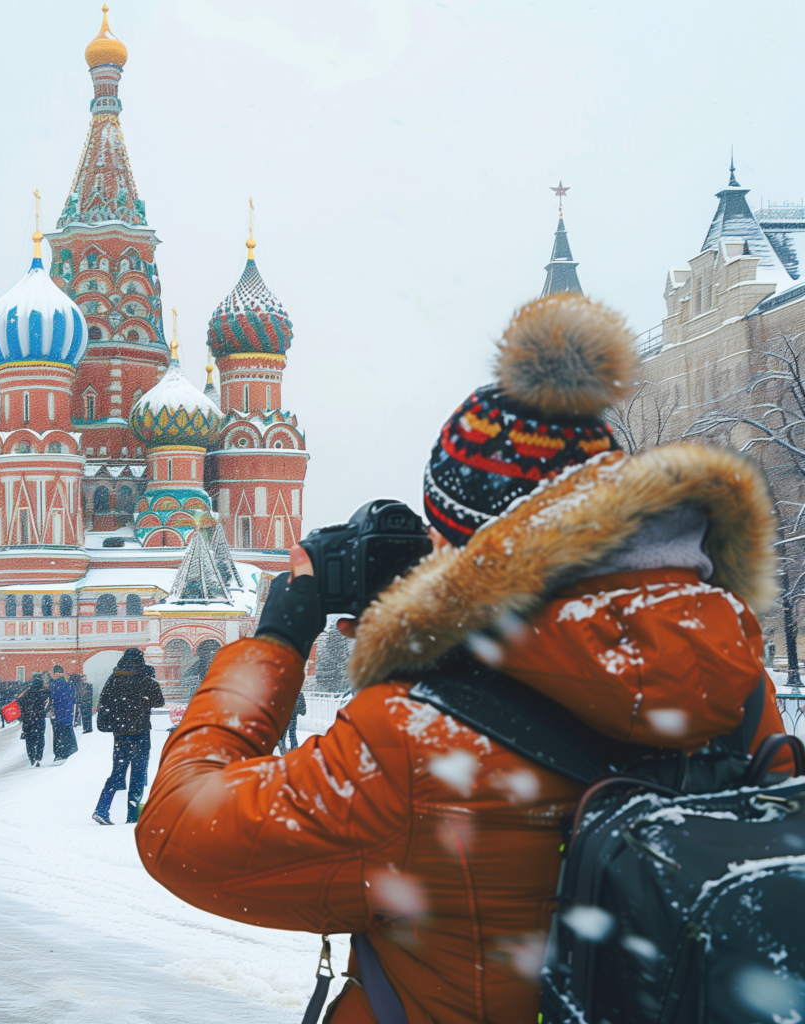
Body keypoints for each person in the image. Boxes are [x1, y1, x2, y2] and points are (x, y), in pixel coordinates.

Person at [135, 293, 793, 1024]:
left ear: (472, 557)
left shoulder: (417, 742)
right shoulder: (733, 682)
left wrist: (278, 641)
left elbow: (180, 832)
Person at [93, 648, 163, 825]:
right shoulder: (145, 680)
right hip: (140, 732)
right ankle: (133, 816)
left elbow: (105, 702)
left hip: (121, 733)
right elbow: (159, 701)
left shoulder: (114, 679)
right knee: (138, 773)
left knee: (118, 771)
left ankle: (102, 808)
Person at [17, 674, 49, 767]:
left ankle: (31, 757)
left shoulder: (27, 692)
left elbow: (19, 701)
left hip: (28, 719)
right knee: (40, 737)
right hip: (39, 719)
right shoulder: (44, 692)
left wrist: (22, 715)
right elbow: (49, 702)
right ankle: (39, 756)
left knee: (29, 739)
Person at [48, 665, 78, 763]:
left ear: (58, 673)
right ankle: (71, 750)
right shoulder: (68, 683)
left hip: (59, 712)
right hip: (67, 712)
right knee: (68, 731)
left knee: (58, 734)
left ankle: (60, 754)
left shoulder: (56, 683)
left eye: (54, 673)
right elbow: (73, 698)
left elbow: (54, 696)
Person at [276, 688, 307, 754]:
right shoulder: (299, 695)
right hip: (293, 719)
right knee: (292, 735)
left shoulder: (284, 695)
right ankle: (294, 751)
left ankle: (283, 751)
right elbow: (303, 712)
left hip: (283, 719)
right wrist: (296, 710)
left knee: (282, 736)